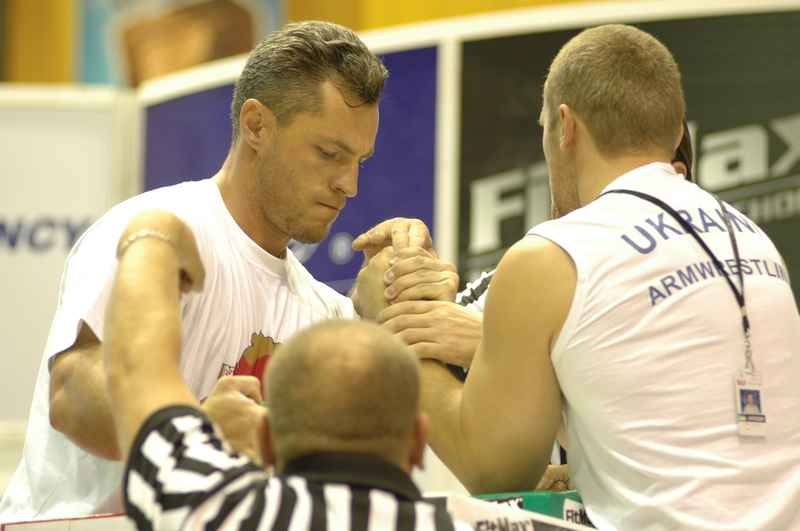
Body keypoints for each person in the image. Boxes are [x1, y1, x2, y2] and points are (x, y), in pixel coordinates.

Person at [1, 21, 427, 521]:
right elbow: (71, 394)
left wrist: (403, 313)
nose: (349, 185)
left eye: (360, 160)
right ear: (256, 125)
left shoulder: (325, 310)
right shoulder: (153, 234)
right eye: (329, 154)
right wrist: (198, 433)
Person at [386, 24, 799, 530]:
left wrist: (398, 325)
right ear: (675, 131)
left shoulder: (551, 256)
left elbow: (490, 466)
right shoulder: (753, 239)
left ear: (564, 127)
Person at [98, 210, 469, 531]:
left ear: (266, 442)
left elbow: (135, 369)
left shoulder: (221, 512)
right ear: (418, 442)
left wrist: (153, 238)